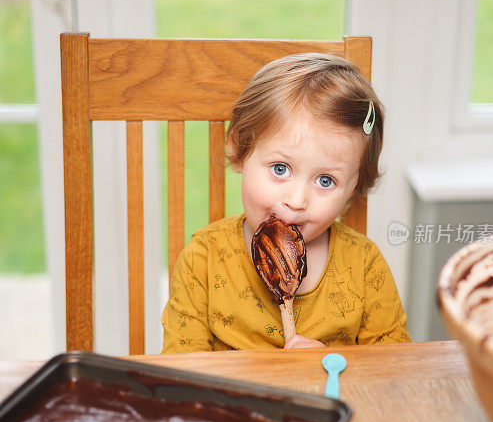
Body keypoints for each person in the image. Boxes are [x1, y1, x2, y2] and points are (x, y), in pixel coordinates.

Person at [162, 52, 411, 352]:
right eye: (280, 169)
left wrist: (330, 366)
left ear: (353, 189)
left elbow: (392, 371)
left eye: (325, 181)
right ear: (240, 150)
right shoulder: (203, 260)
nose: (296, 201)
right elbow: (181, 375)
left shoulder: (364, 266)